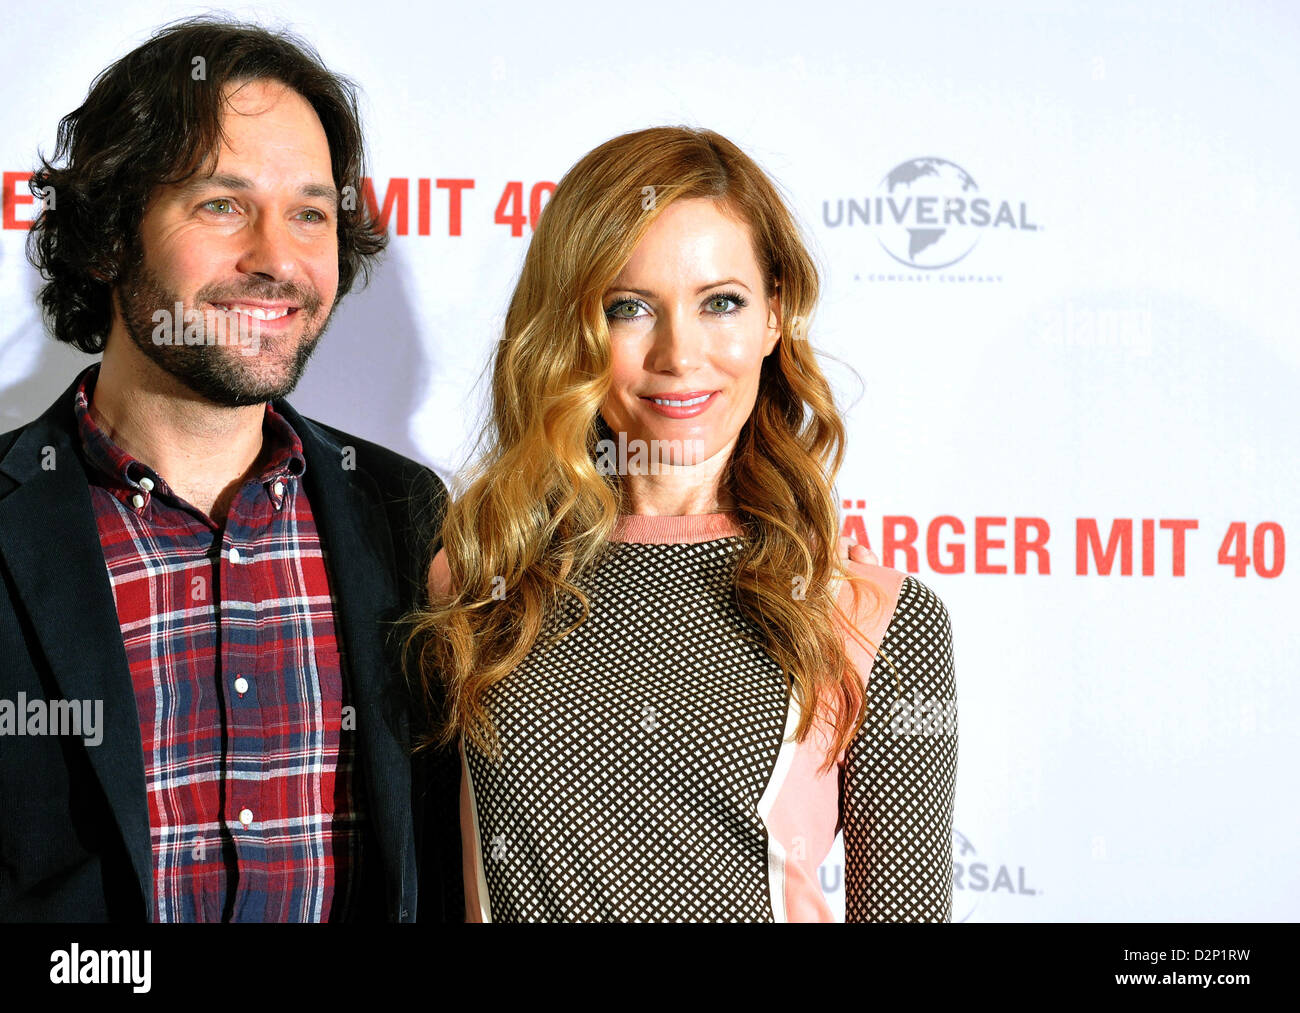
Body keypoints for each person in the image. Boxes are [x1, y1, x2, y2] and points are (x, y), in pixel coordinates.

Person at [413, 126, 957, 922]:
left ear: (775, 315)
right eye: (629, 307)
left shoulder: (876, 615)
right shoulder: (474, 578)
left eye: (721, 303)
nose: (680, 353)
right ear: (575, 329)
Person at [0, 18, 460, 922]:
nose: (277, 260)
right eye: (221, 204)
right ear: (105, 238)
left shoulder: (406, 515)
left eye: (310, 213)